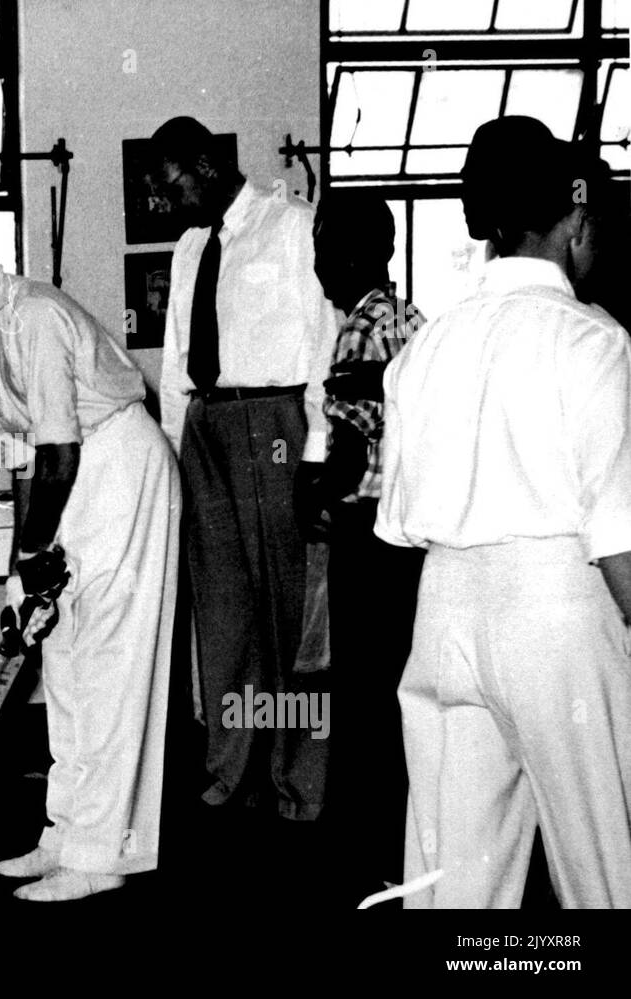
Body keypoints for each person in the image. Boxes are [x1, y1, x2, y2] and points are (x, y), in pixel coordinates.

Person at [377, 118, 631, 907]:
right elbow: (619, 535)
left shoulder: (426, 347)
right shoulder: (593, 340)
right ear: (576, 220)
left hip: (443, 612)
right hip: (559, 607)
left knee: (457, 881)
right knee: (607, 867)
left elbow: (394, 521)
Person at [0, 208, 181, 901]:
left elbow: (60, 450)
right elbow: (24, 459)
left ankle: (101, 856)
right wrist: (17, 568)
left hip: (119, 463)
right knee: (61, 656)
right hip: (67, 476)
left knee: (111, 662)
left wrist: (38, 550)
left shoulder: (33, 314)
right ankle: (65, 833)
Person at [151, 116, 337, 821]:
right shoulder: (190, 247)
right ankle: (233, 769)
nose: (169, 202)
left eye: (173, 186)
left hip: (274, 423)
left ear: (205, 163)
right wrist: (176, 458)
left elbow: (322, 342)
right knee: (224, 617)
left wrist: (315, 451)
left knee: (291, 620)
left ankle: (302, 784)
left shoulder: (291, 224)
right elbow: (174, 360)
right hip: (206, 425)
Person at [306, 192, 426, 903]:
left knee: (361, 693)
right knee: (396, 692)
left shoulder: (358, 328)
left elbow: (351, 438)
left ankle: (368, 850)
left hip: (366, 530)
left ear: (354, 256)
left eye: (325, 252)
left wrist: (317, 494)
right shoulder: (411, 318)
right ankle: (401, 843)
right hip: (408, 535)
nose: (319, 268)